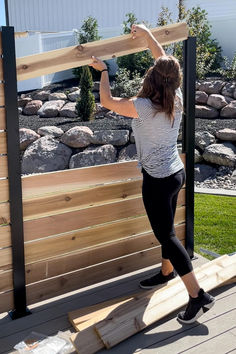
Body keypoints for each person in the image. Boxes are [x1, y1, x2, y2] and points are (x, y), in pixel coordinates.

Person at [89, 23, 215, 324]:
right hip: (175, 174)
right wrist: (147, 36)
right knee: (168, 229)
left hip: (158, 180)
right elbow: (164, 63)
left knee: (167, 235)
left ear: (151, 77)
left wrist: (104, 71)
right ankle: (166, 271)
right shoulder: (177, 98)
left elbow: (106, 102)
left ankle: (198, 295)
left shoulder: (143, 106)